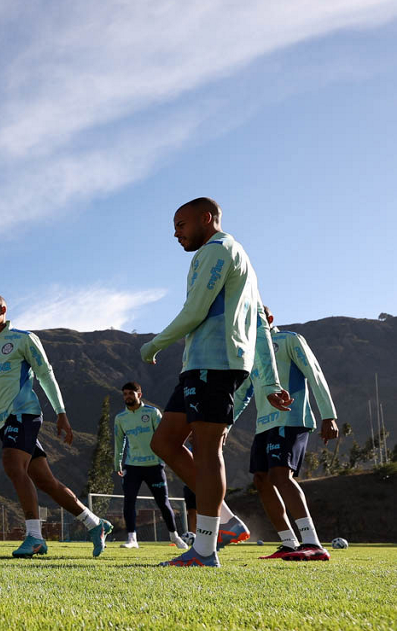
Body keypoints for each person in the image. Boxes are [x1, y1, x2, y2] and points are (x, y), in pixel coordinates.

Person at [142, 197, 291, 567]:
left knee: (208, 450)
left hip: (218, 363)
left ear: (205, 219)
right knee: (164, 442)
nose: (176, 234)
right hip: (199, 364)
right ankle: (224, 520)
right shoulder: (231, 257)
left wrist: (155, 343)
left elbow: (195, 310)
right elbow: (261, 324)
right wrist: (270, 382)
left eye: (181, 225)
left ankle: (205, 550)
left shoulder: (218, 250)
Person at [0, 294, 112, 558]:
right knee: (46, 481)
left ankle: (35, 537)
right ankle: (95, 523)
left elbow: (45, 375)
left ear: (3, 310)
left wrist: (61, 412)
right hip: (4, 423)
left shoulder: (23, 339)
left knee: (12, 464)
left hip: (24, 414)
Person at [235, 306, 338, 561]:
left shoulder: (289, 340)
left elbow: (314, 373)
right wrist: (224, 426)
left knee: (281, 475)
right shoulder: (249, 353)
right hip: (263, 426)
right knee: (261, 480)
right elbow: (242, 394)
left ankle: (312, 542)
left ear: (268, 319)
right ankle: (289, 543)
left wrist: (328, 415)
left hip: (291, 419)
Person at [113, 383, 188, 549]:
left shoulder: (152, 413)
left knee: (163, 502)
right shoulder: (120, 418)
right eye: (125, 394)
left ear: (139, 394)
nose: (127, 396)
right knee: (129, 501)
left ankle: (174, 536)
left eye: (131, 393)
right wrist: (117, 463)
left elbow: (163, 436)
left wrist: (166, 458)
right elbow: (119, 442)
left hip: (154, 465)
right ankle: (132, 538)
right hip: (132, 466)